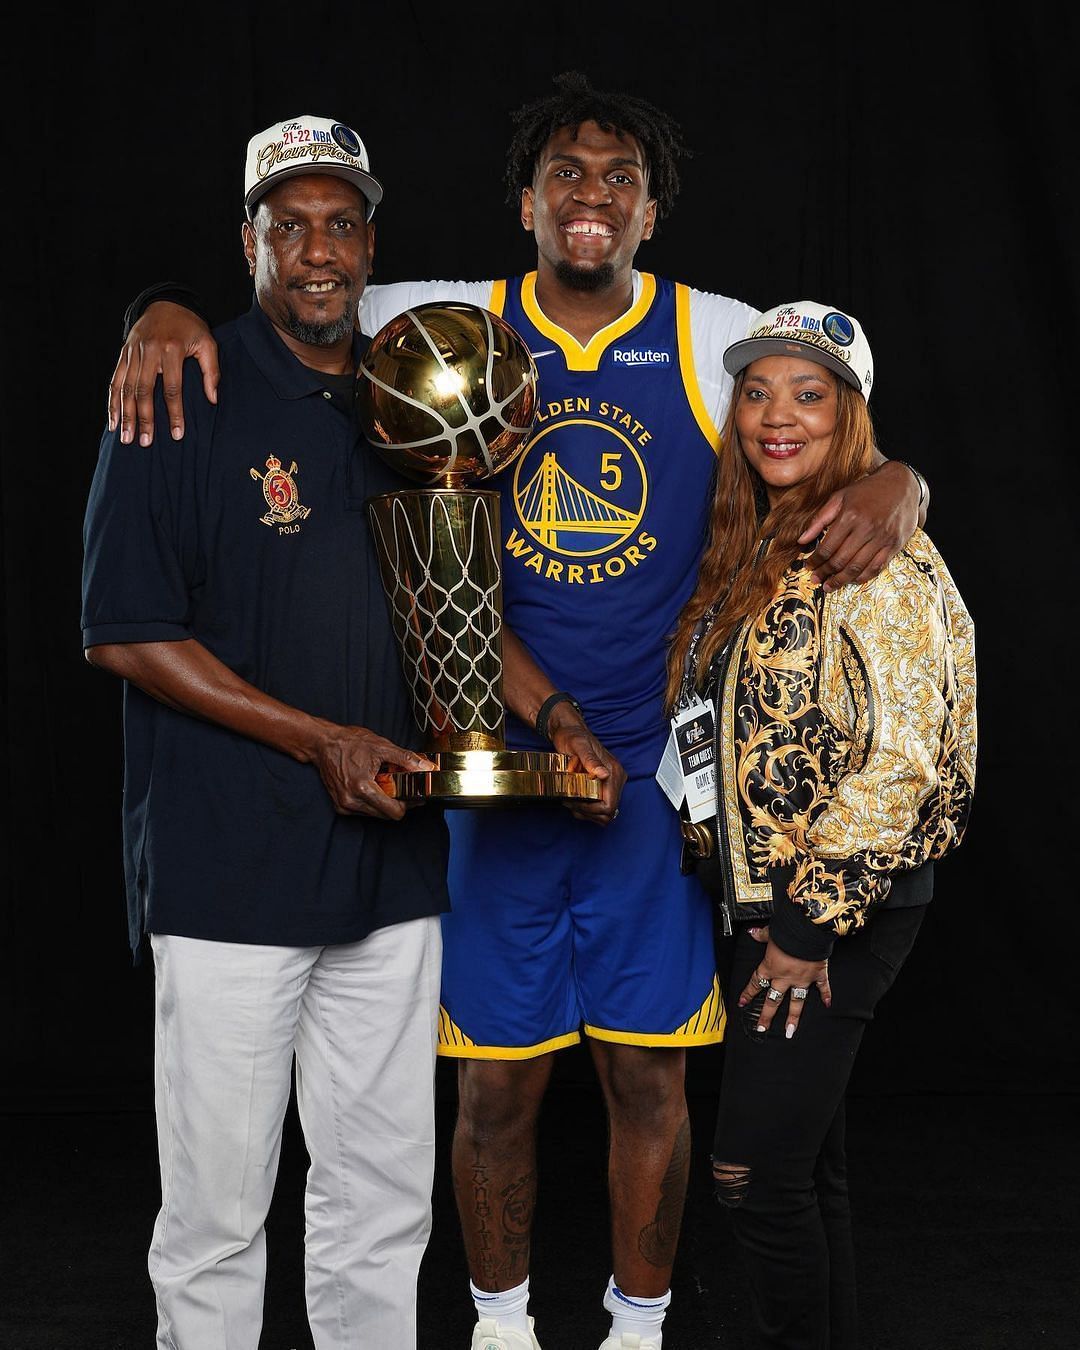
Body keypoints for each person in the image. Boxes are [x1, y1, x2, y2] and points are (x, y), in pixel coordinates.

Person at [103, 74, 928, 1350]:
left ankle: (637, 1330)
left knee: (591, 1096)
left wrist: (903, 479)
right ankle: (499, 1331)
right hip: (441, 789)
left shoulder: (704, 333)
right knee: (469, 1096)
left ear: (651, 208)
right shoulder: (433, 321)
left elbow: (816, 393)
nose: (589, 196)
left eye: (616, 178)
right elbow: (271, 315)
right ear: (526, 201)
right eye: (564, 175)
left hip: (622, 784)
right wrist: (148, 311)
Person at [80, 113, 617, 1350]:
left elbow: (455, 609)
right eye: (290, 227)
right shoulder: (182, 384)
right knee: (217, 1213)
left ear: (371, 241)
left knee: (380, 1199)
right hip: (228, 873)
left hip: (391, 868)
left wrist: (560, 719)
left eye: (341, 224)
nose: (317, 252)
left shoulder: (405, 394)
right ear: (251, 243)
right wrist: (318, 738)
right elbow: (123, 632)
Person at [665, 301, 976, 1349]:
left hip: (837, 914)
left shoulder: (873, 547)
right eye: (756, 393)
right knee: (811, 1168)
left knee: (751, 1175)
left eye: (808, 394)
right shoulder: (761, 542)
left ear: (850, 414)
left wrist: (801, 933)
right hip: (772, 909)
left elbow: (897, 762)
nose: (776, 416)